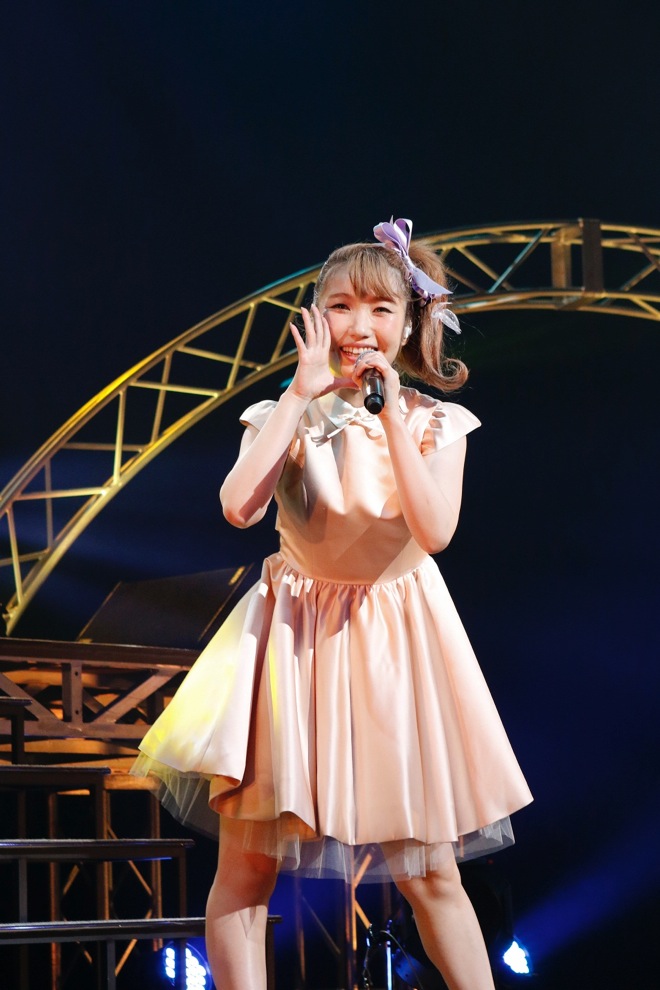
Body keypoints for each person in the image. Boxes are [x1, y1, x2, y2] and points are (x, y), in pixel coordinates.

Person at [132, 218, 533, 990]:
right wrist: (296, 395)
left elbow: (435, 532)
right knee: (245, 868)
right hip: (291, 644)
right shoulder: (282, 415)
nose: (359, 325)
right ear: (316, 319)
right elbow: (239, 507)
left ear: (409, 325)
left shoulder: (435, 423)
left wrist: (389, 415)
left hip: (395, 648)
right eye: (341, 306)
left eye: (381, 308)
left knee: (431, 874)